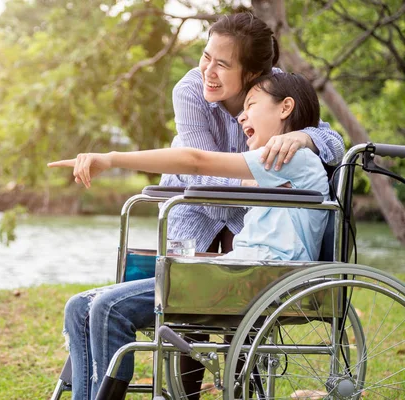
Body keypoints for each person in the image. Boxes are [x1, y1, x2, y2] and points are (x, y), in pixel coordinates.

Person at [48, 72, 330, 400]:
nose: (241, 116)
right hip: (240, 275)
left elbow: (196, 160)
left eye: (251, 105)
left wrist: (110, 159)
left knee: (108, 308)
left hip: (258, 282)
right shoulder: (279, 164)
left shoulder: (291, 156)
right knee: (78, 306)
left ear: (285, 108)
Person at [152, 12, 343, 398]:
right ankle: (181, 395)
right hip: (197, 206)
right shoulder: (190, 91)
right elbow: (203, 181)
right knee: (189, 313)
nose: (208, 70)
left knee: (243, 309)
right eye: (206, 57)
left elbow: (335, 142)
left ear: (255, 72)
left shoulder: (271, 90)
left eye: (222, 64)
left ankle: (238, 392)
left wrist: (305, 138)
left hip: (254, 211)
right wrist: (256, 183)